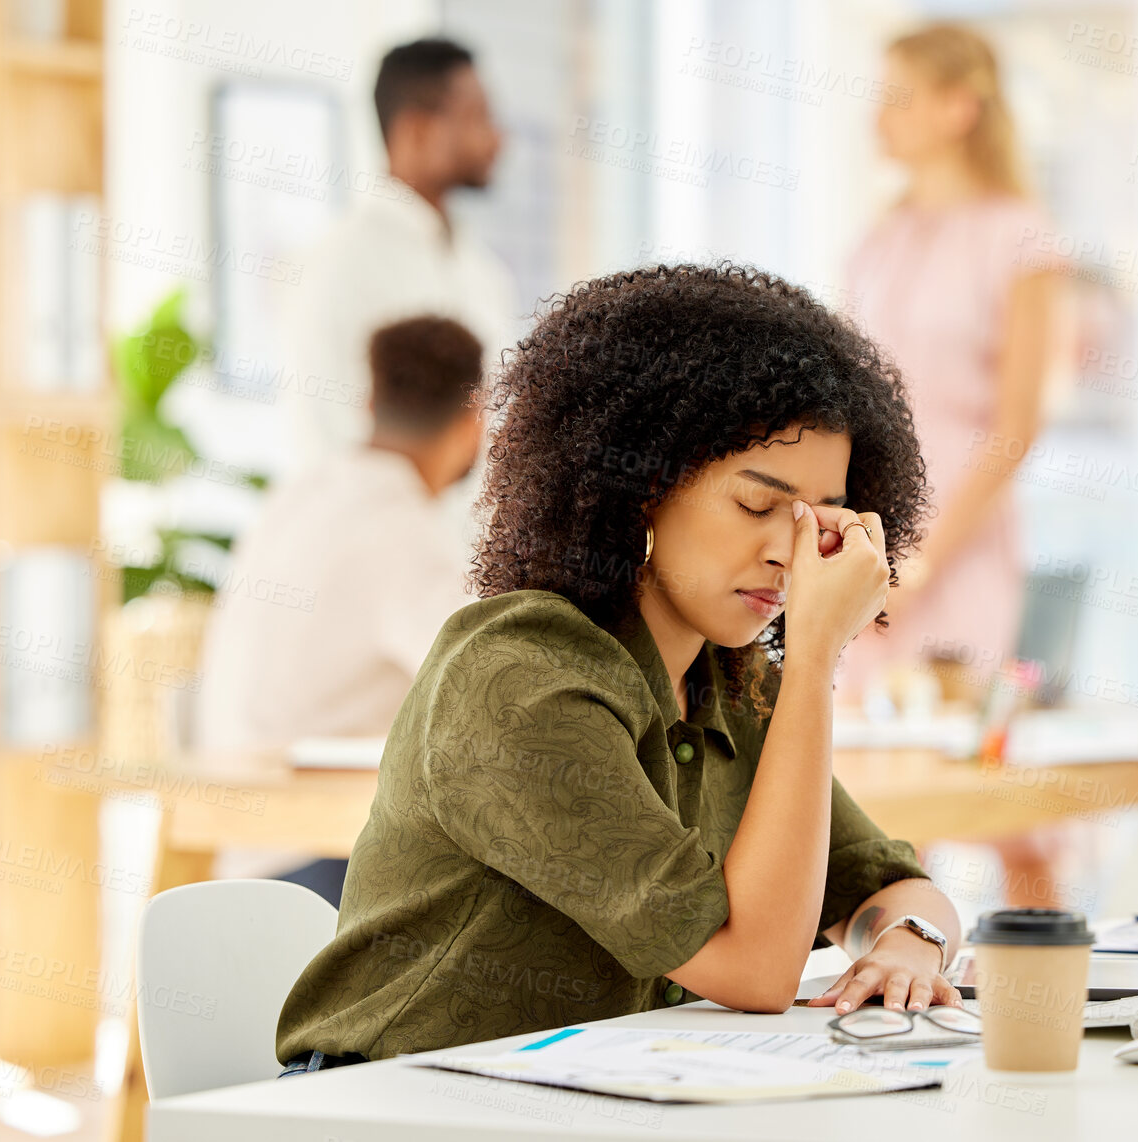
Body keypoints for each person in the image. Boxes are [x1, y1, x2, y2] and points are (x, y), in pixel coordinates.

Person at [273, 264, 962, 1074]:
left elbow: (886, 884)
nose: (789, 552)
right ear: (638, 488)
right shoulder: (521, 677)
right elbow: (753, 968)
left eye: (819, 519)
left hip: (587, 1098)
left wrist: (910, 946)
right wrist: (813, 659)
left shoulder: (727, 681)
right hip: (386, 1108)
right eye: (754, 504)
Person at [835, 23, 1074, 908]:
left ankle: (1054, 993)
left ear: (958, 108)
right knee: (880, 800)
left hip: (961, 552)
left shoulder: (1020, 240)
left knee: (981, 782)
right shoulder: (879, 238)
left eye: (899, 95)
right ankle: (899, 994)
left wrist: (926, 556)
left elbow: (1017, 428)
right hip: (871, 538)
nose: (879, 115)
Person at [194, 317, 486, 902]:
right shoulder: (404, 531)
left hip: (232, 851)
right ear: (475, 420)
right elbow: (484, 682)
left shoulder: (296, 497)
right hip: (316, 864)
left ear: (370, 399)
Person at [284, 37, 517, 476]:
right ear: (417, 129)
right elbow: (331, 438)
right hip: (382, 536)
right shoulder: (342, 263)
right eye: (477, 116)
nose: (497, 137)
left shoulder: (481, 269)